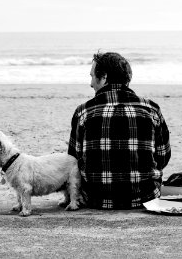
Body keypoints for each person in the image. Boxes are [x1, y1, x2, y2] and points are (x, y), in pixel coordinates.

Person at [68, 52, 171, 209]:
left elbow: (73, 160)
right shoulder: (151, 109)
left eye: (92, 76)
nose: (90, 83)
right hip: (145, 197)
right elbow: (163, 157)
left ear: (103, 77)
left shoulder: (83, 112)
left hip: (96, 199)